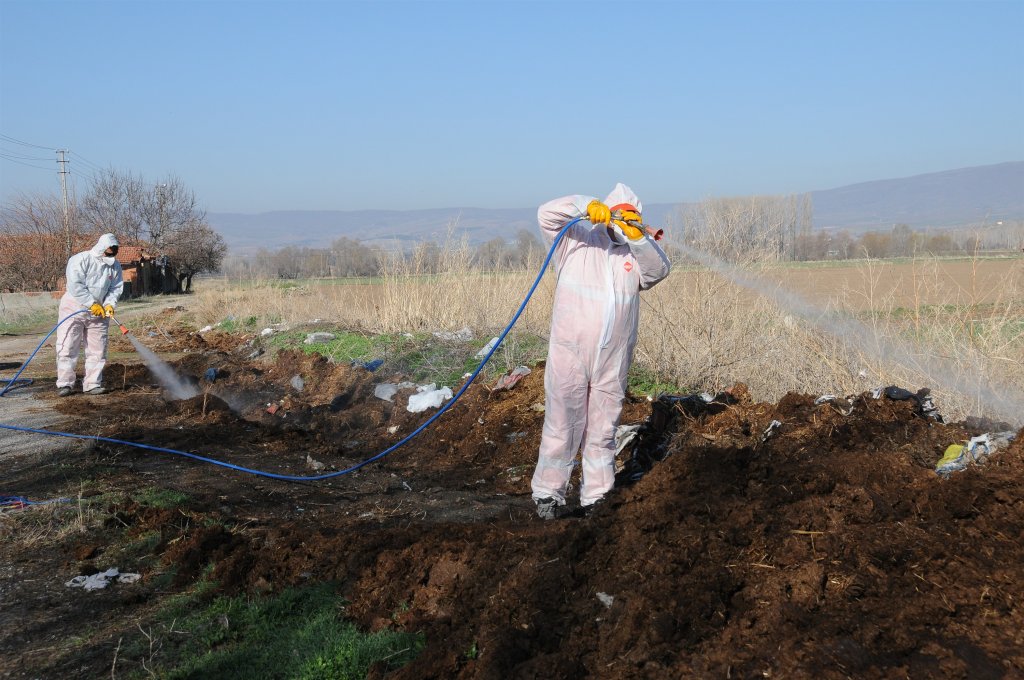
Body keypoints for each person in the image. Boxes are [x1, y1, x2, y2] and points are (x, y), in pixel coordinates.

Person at [531, 184, 671, 519]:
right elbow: (546, 214)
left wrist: (638, 239)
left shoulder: (633, 257)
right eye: (622, 216)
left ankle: (597, 497)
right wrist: (586, 205)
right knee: (563, 423)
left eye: (632, 217)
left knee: (603, 429)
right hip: (570, 354)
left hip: (613, 359)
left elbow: (659, 270)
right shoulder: (576, 242)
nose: (625, 223)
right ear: (607, 214)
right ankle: (548, 494)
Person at [55, 233, 124, 396]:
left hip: (99, 313)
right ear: (101, 248)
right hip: (74, 309)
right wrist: (91, 303)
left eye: (113, 253)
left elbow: (115, 288)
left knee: (98, 349)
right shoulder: (80, 259)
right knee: (67, 346)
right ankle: (65, 383)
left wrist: (109, 304)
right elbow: (75, 285)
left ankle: (92, 384)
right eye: (108, 252)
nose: (110, 256)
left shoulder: (115, 266)